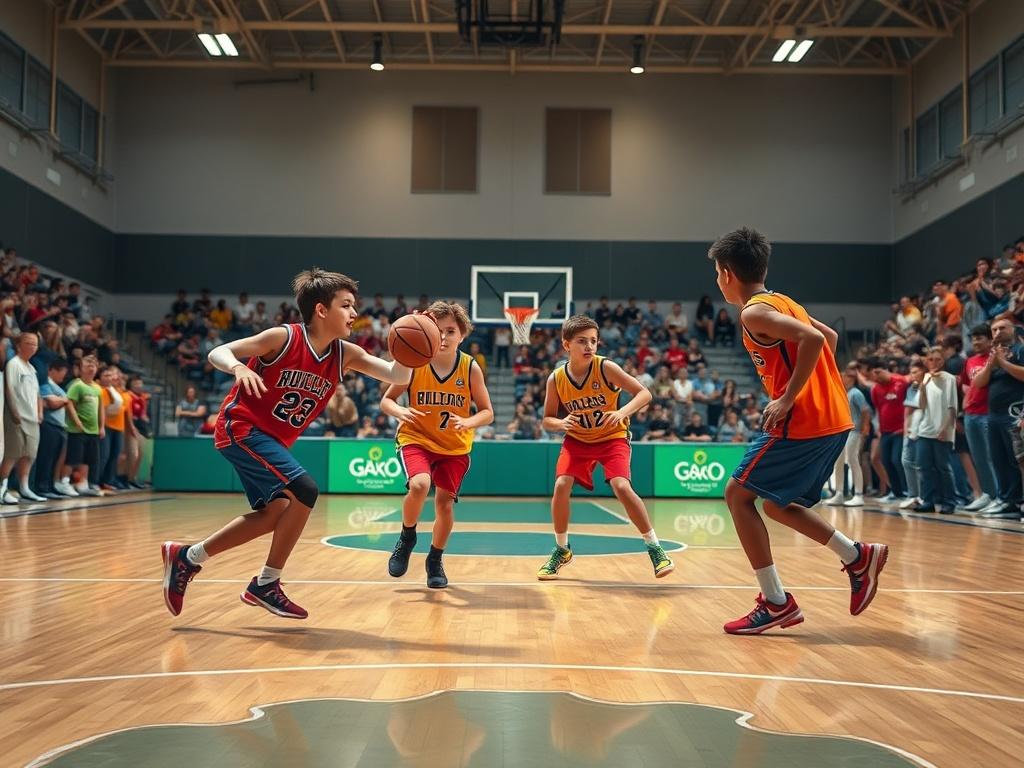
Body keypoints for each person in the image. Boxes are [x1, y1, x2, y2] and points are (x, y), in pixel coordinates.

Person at [160, 269, 415, 621]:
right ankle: (267, 583)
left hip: (271, 439)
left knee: (274, 514)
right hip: (242, 428)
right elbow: (218, 351)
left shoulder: (346, 354)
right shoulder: (283, 338)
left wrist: (412, 348)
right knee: (305, 490)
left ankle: (187, 558)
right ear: (322, 310)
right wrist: (238, 368)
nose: (355, 313)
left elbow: (396, 376)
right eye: (347, 305)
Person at [709, 227, 887, 635]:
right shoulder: (785, 301)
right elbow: (829, 336)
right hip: (832, 419)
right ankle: (856, 556)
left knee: (737, 496)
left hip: (803, 421)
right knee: (773, 504)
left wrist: (788, 396)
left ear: (726, 274)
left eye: (717, 274)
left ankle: (776, 603)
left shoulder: (754, 312)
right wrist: (820, 386)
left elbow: (811, 338)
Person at [537, 315, 675, 580]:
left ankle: (655, 547)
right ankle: (561, 549)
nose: (589, 346)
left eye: (593, 341)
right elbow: (546, 420)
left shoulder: (606, 368)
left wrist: (622, 411)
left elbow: (644, 393)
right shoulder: (556, 379)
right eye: (582, 341)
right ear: (566, 344)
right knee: (561, 485)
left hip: (612, 438)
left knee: (621, 486)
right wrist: (562, 422)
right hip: (577, 441)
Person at [383, 302, 494, 589]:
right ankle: (407, 537)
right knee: (419, 485)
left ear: (462, 335)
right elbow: (386, 400)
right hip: (416, 438)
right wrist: (400, 412)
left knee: (444, 504)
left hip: (455, 447)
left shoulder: (470, 368)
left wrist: (469, 423)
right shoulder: (413, 360)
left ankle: (435, 559)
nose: (444, 337)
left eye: (451, 331)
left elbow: (487, 412)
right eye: (439, 330)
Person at [969, 317, 1024, 518]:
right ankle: (1006, 500)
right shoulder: (993, 354)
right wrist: (992, 364)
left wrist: (1003, 363)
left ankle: (1018, 501)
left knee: (1016, 459)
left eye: (1003, 328)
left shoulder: (1020, 350)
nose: (998, 332)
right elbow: (979, 384)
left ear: (1014, 329)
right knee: (998, 458)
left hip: (1015, 412)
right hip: (993, 414)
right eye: (994, 330)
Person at [1, 333, 44, 503]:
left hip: (33, 419)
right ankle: (2, 488)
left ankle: (24, 488)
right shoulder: (13, 364)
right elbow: (9, 389)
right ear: (19, 345)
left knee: (29, 454)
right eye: (29, 343)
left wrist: (40, 412)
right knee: (12, 454)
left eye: (35, 344)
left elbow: (38, 394)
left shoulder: (31, 368)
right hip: (17, 417)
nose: (33, 346)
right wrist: (14, 412)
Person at [916, 347, 959, 513]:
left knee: (943, 468)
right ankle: (928, 501)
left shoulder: (949, 379)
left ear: (943, 361)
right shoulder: (926, 378)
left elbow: (952, 407)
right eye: (931, 359)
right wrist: (922, 386)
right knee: (924, 466)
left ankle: (950, 501)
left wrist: (944, 428)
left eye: (938, 359)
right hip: (925, 429)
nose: (934, 362)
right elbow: (921, 405)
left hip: (943, 429)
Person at [959, 324, 997, 512]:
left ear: (991, 340)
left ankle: (999, 496)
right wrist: (967, 401)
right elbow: (966, 385)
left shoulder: (995, 359)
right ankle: (987, 494)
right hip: (971, 414)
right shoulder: (970, 361)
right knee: (979, 458)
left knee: (992, 457)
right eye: (973, 338)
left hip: (988, 413)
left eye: (980, 338)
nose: (975, 341)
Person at [825, 368, 870, 507]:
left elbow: (865, 411)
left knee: (852, 460)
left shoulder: (856, 393)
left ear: (851, 378)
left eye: (843, 376)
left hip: (854, 431)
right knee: (838, 462)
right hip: (841, 431)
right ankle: (839, 493)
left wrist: (864, 428)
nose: (841, 378)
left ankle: (858, 494)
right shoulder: (842, 392)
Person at [62, 354, 103, 497]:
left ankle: (82, 484)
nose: (91, 368)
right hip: (77, 429)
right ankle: (64, 482)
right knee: (73, 458)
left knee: (88, 459)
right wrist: (77, 421)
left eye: (93, 366)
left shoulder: (98, 388)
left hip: (93, 430)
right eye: (87, 365)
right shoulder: (77, 385)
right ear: (81, 369)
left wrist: (102, 426)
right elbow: (69, 404)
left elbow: (100, 409)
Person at [869, 360, 909, 501]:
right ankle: (896, 492)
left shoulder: (901, 382)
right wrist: (879, 427)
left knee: (897, 460)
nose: (876, 376)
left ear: (887, 370)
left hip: (900, 430)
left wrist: (906, 427)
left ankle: (907, 491)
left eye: (878, 372)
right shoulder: (875, 389)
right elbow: (879, 409)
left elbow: (910, 403)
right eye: (873, 374)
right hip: (885, 430)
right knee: (886, 461)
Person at [37, 358, 70, 499]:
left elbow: (57, 401)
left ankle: (50, 485)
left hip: (59, 427)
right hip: (49, 425)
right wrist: (63, 400)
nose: (64, 375)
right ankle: (42, 487)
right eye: (62, 372)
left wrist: (60, 400)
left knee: (55, 459)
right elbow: (50, 403)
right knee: (47, 458)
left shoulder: (58, 388)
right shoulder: (46, 384)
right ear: (52, 370)